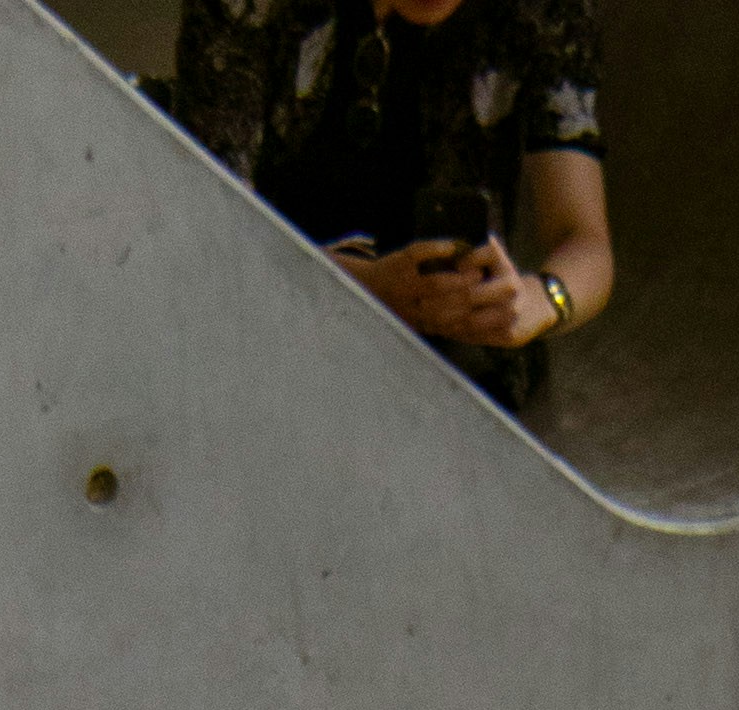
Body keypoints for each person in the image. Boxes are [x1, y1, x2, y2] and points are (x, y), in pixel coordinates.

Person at [166, 0, 613, 422]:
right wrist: (365, 288)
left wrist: (539, 300)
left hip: (449, 395)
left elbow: (586, 244)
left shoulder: (545, 11)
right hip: (244, 356)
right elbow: (204, 223)